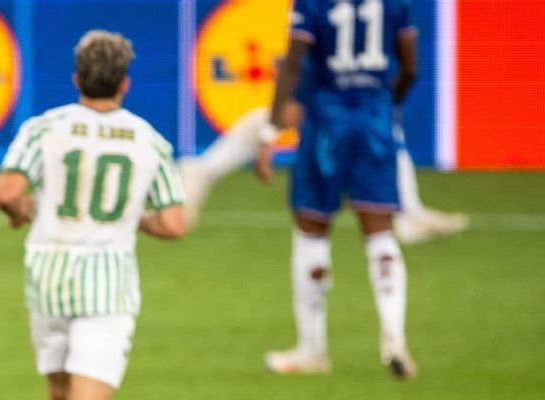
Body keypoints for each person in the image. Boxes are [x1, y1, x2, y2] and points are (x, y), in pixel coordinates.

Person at [0, 30, 187, 400]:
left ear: (77, 78)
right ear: (125, 83)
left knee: (58, 398)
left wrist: (22, 213)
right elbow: (174, 222)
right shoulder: (147, 140)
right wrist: (135, 218)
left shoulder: (45, 127)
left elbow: (9, 191)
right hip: (107, 280)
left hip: (48, 272)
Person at [253, 0, 420, 378]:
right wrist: (386, 101)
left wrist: (271, 129)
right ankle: (394, 338)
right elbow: (410, 66)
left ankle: (312, 349)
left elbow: (294, 62)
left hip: (325, 125)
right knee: (381, 235)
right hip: (375, 120)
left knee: (311, 232)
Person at [179, 102, 467, 245]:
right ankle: (409, 214)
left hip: (339, 107)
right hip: (335, 106)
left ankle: (410, 213)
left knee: (388, 137)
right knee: (267, 120)